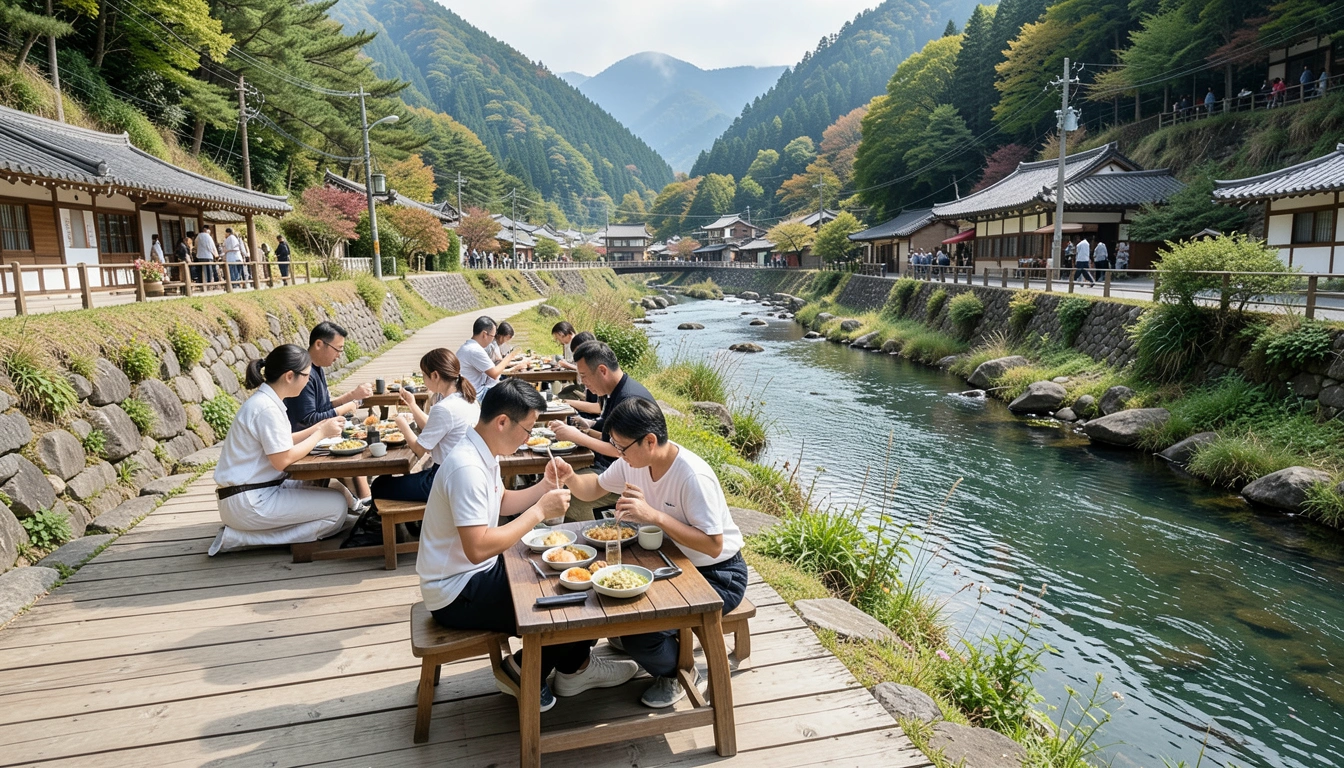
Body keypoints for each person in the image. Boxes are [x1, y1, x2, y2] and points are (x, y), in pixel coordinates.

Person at [419, 378, 639, 711]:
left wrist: (544, 486)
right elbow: (477, 547)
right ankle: (531, 668)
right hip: (456, 591)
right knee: (574, 598)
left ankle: (572, 666)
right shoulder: (466, 467)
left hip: (472, 574)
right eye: (527, 429)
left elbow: (501, 501)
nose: (529, 438)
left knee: (571, 575)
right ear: (502, 421)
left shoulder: (480, 451)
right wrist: (539, 511)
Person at [556, 398, 746, 708]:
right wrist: (570, 477)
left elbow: (714, 545)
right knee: (613, 603)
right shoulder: (637, 461)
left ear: (650, 441)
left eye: (622, 447)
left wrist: (654, 516)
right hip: (670, 561)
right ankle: (659, 646)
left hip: (719, 573)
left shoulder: (692, 476)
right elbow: (593, 489)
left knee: (638, 634)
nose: (618, 455)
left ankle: (679, 674)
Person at [208, 344, 355, 556]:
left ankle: (252, 532)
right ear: (289, 376)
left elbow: (282, 442)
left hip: (252, 492)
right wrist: (320, 434)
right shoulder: (266, 408)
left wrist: (320, 427)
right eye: (306, 375)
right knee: (337, 508)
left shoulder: (267, 401)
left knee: (328, 489)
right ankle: (240, 538)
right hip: (250, 500)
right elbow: (283, 460)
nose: (307, 380)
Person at [548, 340, 653, 520]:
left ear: (603, 370)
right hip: (610, 468)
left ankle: (595, 540)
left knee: (568, 496)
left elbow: (622, 452)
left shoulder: (628, 399)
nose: (583, 383)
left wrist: (578, 436)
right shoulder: (615, 392)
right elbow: (612, 438)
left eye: (584, 376)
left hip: (628, 477)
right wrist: (587, 428)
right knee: (558, 481)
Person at [371, 348, 480, 509]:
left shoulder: (445, 408)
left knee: (379, 485)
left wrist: (402, 424)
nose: (423, 379)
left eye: (424, 375)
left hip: (444, 480)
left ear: (435, 375)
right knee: (395, 482)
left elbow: (419, 449)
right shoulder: (468, 399)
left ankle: (379, 528)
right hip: (464, 475)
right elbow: (434, 427)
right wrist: (412, 404)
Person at [286, 321, 375, 505]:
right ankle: (367, 501)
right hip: (304, 440)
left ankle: (365, 500)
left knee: (356, 439)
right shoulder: (305, 373)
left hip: (316, 436)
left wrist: (352, 396)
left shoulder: (316, 369)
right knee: (353, 447)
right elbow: (309, 419)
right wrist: (347, 405)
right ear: (319, 344)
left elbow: (323, 407)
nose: (339, 355)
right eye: (338, 349)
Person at [457, 316, 520, 395]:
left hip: (473, 389)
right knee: (514, 394)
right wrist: (511, 356)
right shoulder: (475, 350)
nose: (493, 340)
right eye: (493, 336)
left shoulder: (468, 347)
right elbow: (494, 373)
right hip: (476, 393)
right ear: (484, 334)